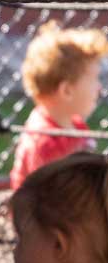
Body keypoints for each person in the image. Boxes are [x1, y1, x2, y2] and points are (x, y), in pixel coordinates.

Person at [9, 22, 107, 190]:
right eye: (94, 78)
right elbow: (54, 204)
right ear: (66, 90)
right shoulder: (44, 143)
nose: (99, 87)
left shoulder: (75, 125)